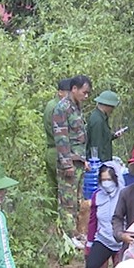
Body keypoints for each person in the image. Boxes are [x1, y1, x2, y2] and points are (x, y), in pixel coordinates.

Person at [81, 163, 126, 268]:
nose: (107, 183)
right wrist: (89, 242)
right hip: (104, 238)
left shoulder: (124, 194)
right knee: (91, 267)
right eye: (103, 179)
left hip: (122, 239)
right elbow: (93, 221)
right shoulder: (97, 196)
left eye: (109, 179)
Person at [52, 75, 91, 238]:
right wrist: (67, 163)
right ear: (74, 89)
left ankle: (76, 233)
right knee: (67, 202)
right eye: (84, 92)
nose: (86, 96)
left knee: (77, 199)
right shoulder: (63, 108)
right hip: (69, 163)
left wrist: (84, 160)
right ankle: (67, 237)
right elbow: (61, 137)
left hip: (79, 161)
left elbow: (78, 136)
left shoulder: (76, 106)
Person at [44, 77, 71, 185]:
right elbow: (60, 133)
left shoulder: (51, 104)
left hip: (52, 151)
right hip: (58, 151)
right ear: (60, 92)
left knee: (52, 188)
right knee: (64, 188)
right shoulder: (58, 108)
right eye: (67, 92)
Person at [86, 90, 125, 162]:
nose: (113, 109)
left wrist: (114, 135)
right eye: (113, 107)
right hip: (99, 163)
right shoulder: (98, 121)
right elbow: (96, 146)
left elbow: (103, 138)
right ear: (107, 106)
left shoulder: (102, 118)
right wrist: (102, 166)